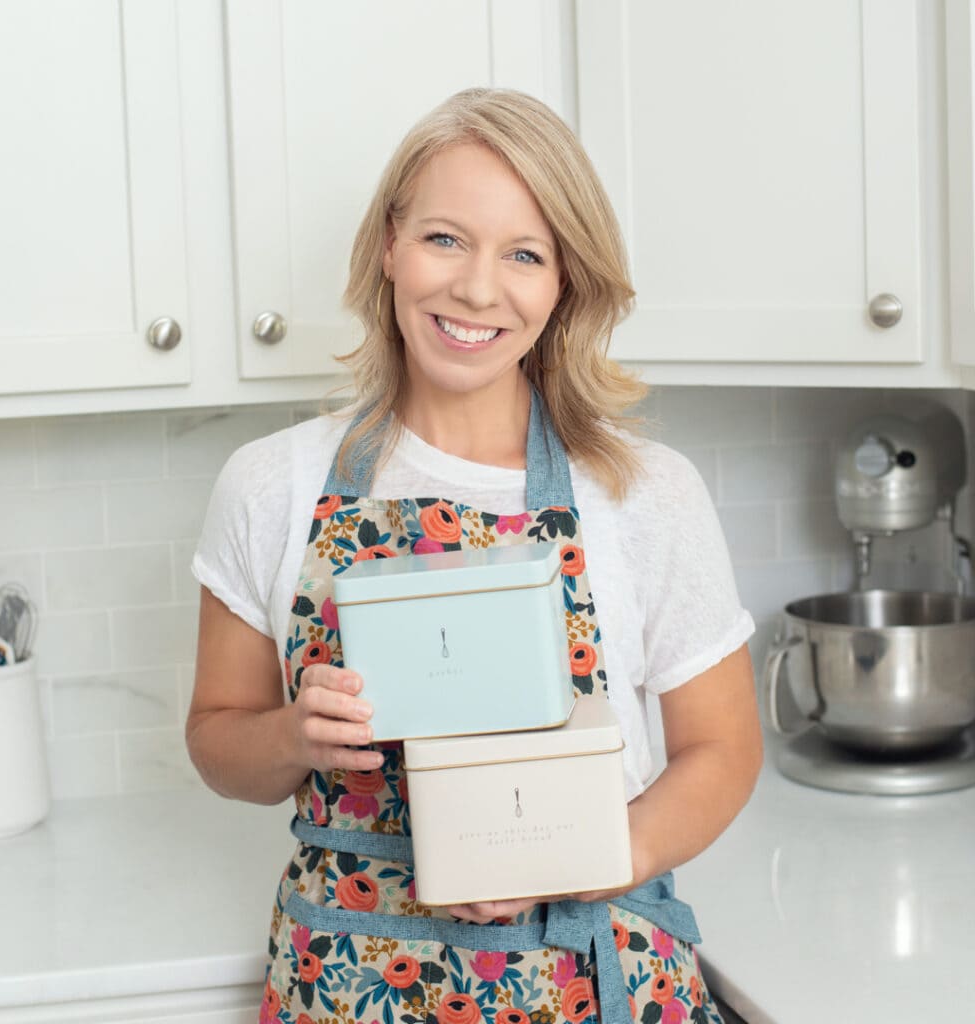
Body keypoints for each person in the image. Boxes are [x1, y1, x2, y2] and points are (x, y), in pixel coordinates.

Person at [187, 88, 762, 1024]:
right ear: (390, 246)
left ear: (564, 282)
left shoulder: (645, 492)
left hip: (590, 975)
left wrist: (585, 854)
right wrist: (294, 735)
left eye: (524, 254)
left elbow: (723, 751)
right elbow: (218, 743)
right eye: (446, 239)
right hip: (347, 978)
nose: (478, 290)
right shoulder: (270, 484)